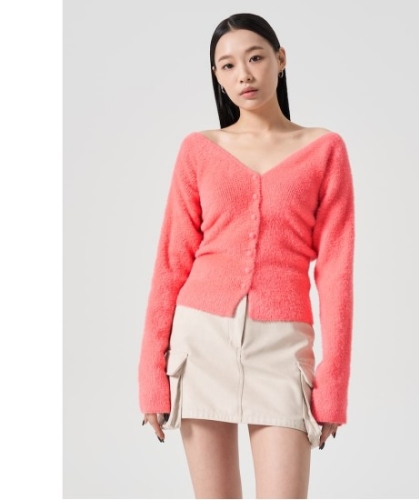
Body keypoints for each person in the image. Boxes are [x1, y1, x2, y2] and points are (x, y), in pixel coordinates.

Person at [138, 12, 355, 499]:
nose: (244, 75)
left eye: (255, 58)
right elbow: (171, 262)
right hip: (200, 340)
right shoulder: (198, 150)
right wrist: (151, 373)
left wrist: (333, 385)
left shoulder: (324, 149)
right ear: (216, 76)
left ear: (281, 59)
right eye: (228, 65)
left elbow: (337, 272)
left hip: (282, 347)